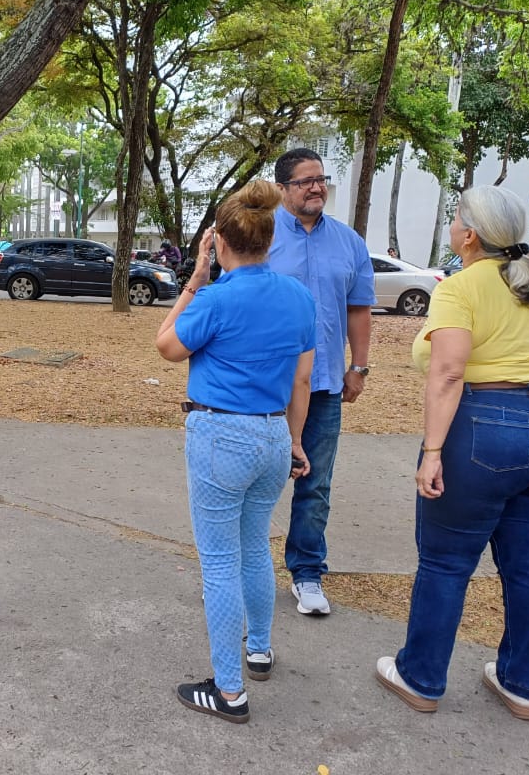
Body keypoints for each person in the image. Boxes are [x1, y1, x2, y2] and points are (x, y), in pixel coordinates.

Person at [375, 186, 529, 719]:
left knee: (445, 561)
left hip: (485, 428)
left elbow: (449, 370)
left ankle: (421, 677)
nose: (453, 228)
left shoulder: (460, 287)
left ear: (470, 234)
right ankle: (525, 686)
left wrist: (432, 451)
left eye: (456, 220)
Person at [156, 181, 316, 723]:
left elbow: (168, 346)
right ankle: (260, 650)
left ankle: (228, 690)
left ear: (219, 241)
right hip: (273, 435)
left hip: (221, 436)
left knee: (220, 561)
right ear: (269, 239)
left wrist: (196, 279)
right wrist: (295, 440)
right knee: (254, 547)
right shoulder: (298, 296)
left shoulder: (218, 297)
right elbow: (302, 379)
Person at [267, 148, 374, 616]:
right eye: (305, 181)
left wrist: (360, 365)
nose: (316, 187)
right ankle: (236, 572)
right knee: (256, 480)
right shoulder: (259, 235)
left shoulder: (349, 242)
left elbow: (359, 308)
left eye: (321, 179)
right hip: (266, 384)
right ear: (282, 189)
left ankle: (307, 574)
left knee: (316, 483)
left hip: (326, 385)